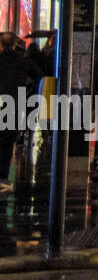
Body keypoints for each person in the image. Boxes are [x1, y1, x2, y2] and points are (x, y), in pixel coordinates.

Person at [0, 32, 42, 194]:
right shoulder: (24, 61)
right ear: (16, 43)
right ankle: (2, 177)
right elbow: (40, 76)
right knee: (8, 140)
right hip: (15, 104)